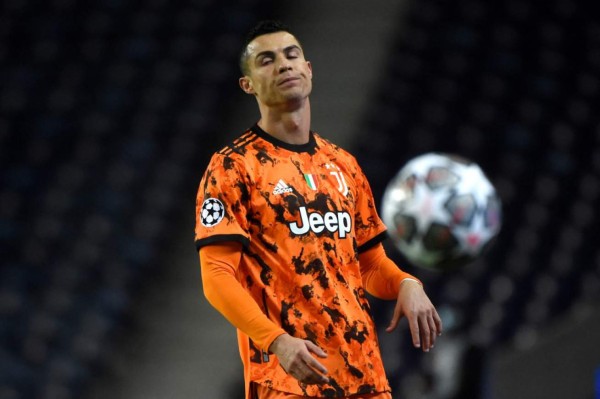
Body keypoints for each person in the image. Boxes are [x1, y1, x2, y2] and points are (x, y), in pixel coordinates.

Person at [195, 20, 442, 399]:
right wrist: (276, 341)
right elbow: (216, 275)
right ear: (248, 85)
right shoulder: (233, 166)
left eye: (292, 55)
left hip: (365, 377)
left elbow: (370, 265)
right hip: (288, 380)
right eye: (267, 60)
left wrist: (407, 283)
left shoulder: (344, 164)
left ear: (308, 69)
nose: (283, 65)